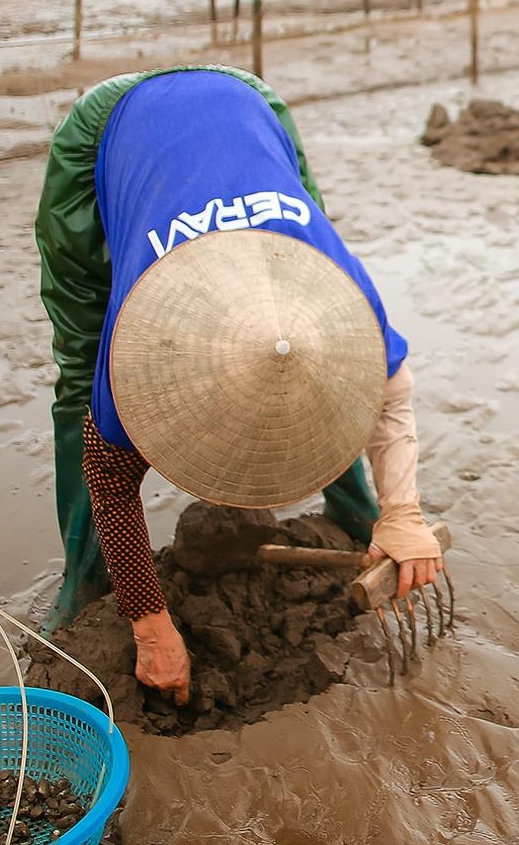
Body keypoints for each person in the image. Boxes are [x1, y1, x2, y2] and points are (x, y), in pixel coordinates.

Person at [34, 65, 444, 701]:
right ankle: (85, 578)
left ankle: (357, 511)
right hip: (107, 133)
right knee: (79, 372)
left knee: (321, 383)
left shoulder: (345, 302)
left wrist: (404, 515)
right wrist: (150, 626)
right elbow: (109, 479)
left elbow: (388, 398)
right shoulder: (136, 354)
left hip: (249, 104)